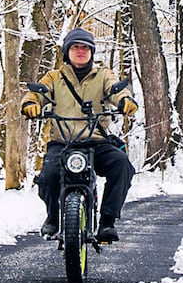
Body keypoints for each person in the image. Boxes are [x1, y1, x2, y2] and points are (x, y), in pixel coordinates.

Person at [21, 27, 138, 243]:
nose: (81, 51)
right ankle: (53, 218)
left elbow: (116, 89)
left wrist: (125, 100)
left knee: (122, 165)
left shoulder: (103, 75)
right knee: (46, 177)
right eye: (75, 47)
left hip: (96, 142)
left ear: (92, 52)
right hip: (62, 143)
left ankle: (107, 221)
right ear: (67, 51)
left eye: (85, 47)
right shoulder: (54, 77)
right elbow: (37, 94)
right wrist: (31, 104)